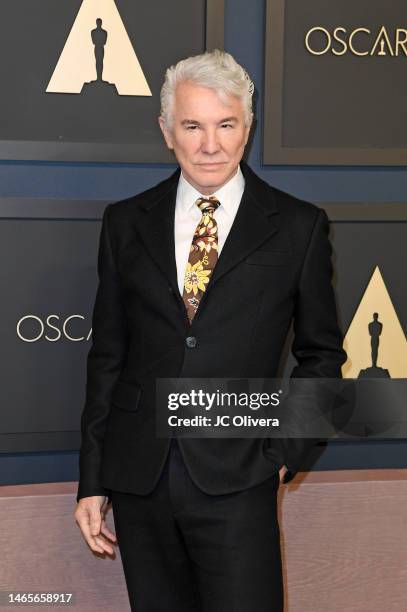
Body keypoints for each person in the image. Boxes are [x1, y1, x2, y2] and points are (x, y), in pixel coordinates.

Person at [74, 49, 346, 611]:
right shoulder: (126, 222)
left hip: (240, 478)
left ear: (247, 128)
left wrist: (283, 454)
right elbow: (108, 355)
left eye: (226, 125)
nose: (210, 144)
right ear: (166, 130)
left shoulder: (298, 226)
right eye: (192, 126)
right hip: (140, 476)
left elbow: (321, 356)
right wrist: (94, 479)